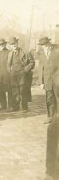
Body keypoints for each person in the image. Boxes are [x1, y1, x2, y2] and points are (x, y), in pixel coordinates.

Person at [36, 37, 59, 180]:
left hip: (57, 80)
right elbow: (41, 68)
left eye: (45, 45)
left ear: (49, 44)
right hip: (48, 80)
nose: (44, 47)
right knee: (49, 99)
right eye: (42, 46)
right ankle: (51, 117)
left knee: (57, 99)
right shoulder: (41, 54)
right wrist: (40, 81)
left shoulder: (57, 52)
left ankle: (56, 116)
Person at [7, 37, 35, 112]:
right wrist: (10, 71)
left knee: (23, 90)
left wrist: (25, 70)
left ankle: (24, 107)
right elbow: (8, 65)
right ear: (10, 46)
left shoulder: (25, 52)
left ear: (17, 43)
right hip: (13, 75)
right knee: (15, 91)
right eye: (12, 44)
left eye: (15, 43)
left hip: (23, 74)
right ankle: (16, 106)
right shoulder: (10, 54)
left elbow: (32, 62)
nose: (14, 45)